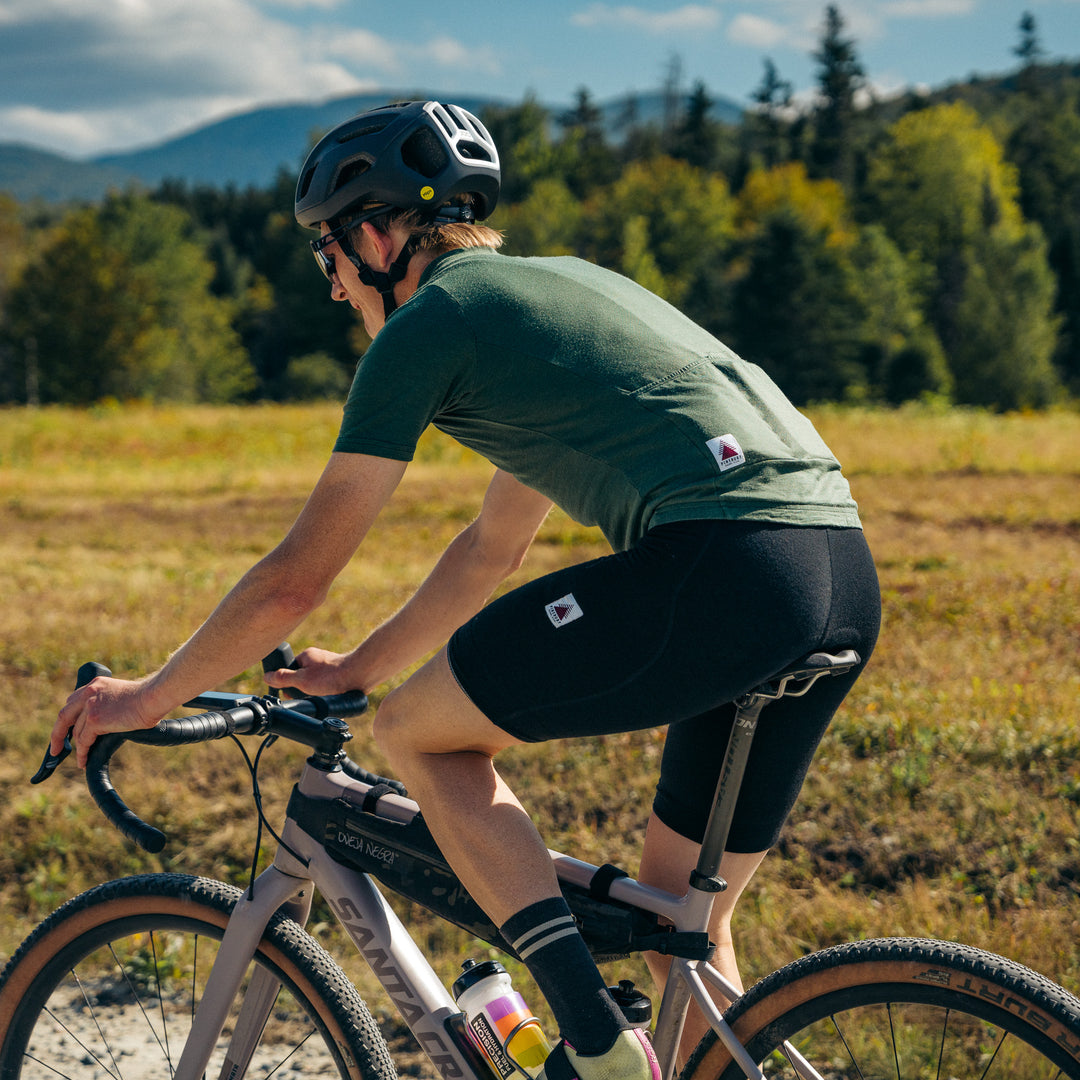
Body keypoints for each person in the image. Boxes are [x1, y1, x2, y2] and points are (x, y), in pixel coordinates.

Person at [53, 100, 880, 1080]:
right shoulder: (556, 296)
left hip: (727, 569)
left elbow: (293, 582)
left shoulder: (431, 324)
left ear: (369, 235)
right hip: (838, 579)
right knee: (680, 933)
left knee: (416, 734)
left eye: (328, 261)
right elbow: (492, 546)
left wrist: (145, 697)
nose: (333, 293)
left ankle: (593, 1043)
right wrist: (358, 667)